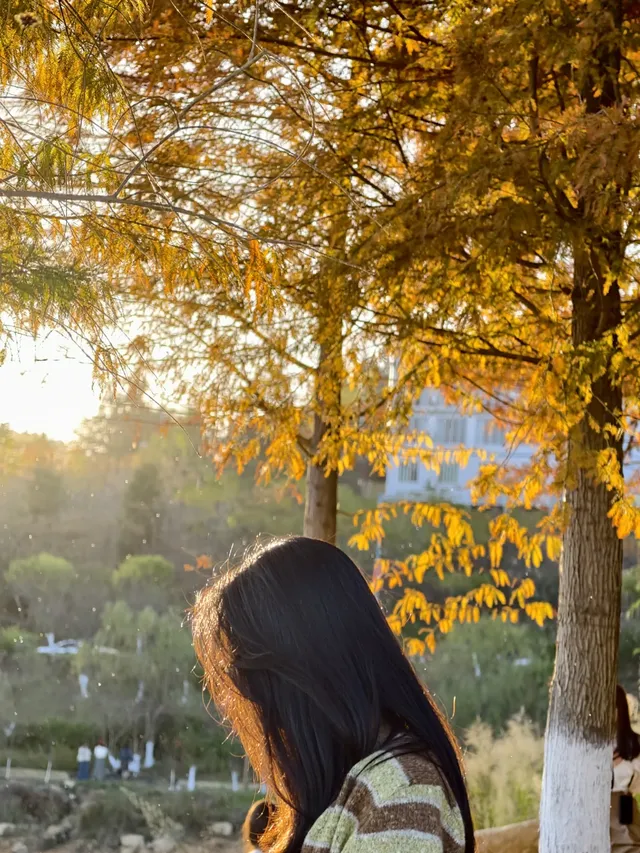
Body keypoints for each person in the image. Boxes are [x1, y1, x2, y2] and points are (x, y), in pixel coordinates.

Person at [191, 537, 474, 853]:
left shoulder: (399, 792)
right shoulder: (358, 788)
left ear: (301, 672)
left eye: (252, 681)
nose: (254, 704)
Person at [612, 685, 640, 850]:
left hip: (624, 813)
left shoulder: (634, 743)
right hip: (590, 814)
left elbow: (637, 786)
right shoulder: (585, 743)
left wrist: (621, 766)